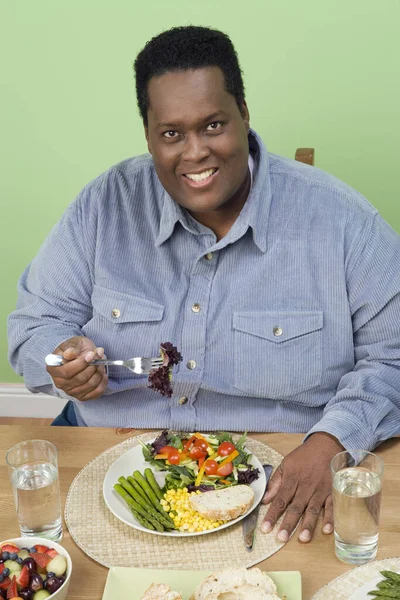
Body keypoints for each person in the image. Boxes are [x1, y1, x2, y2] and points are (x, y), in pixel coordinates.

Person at [8, 26, 400, 545]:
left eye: (213, 125)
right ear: (148, 134)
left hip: (288, 465)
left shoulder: (345, 221)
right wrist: (59, 360)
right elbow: (33, 327)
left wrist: (331, 440)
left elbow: (392, 357)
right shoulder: (102, 207)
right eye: (171, 133)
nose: (195, 153)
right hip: (111, 456)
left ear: (244, 114)